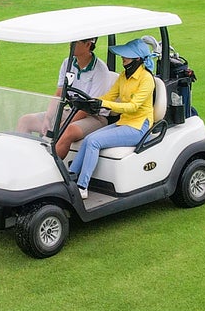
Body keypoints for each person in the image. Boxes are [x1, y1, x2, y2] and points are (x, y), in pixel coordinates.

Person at [66, 38, 159, 199]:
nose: (123, 58)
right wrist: (91, 101)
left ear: (137, 59)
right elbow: (110, 96)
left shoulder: (146, 79)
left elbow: (133, 106)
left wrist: (104, 104)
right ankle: (69, 178)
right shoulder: (124, 76)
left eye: (127, 56)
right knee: (88, 139)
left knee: (94, 142)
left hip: (139, 127)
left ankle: (82, 186)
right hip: (124, 123)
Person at [15, 37, 114, 139]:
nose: (70, 44)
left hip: (93, 116)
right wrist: (48, 118)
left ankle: (54, 148)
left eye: (75, 42)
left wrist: (64, 124)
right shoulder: (67, 63)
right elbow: (59, 94)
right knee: (25, 121)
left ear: (88, 44)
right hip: (72, 111)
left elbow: (88, 107)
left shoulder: (100, 70)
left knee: (67, 130)